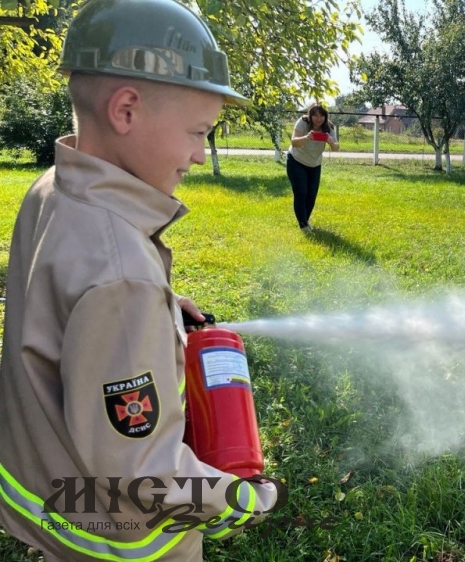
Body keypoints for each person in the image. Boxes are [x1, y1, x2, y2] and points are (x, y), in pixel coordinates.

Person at [0, 1, 281, 560]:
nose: (201, 155)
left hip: (48, 494)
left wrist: (156, 306)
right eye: (198, 132)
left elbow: (60, 300)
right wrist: (244, 500)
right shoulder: (121, 276)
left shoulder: (52, 190)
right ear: (126, 110)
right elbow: (141, 472)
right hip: (117, 537)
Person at [287, 103, 340, 232]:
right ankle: (303, 225)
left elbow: (336, 148)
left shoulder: (329, 127)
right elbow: (294, 142)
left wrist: (331, 142)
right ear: (310, 115)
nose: (318, 118)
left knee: (311, 195)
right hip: (296, 161)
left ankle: (305, 220)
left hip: (315, 164)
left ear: (325, 116)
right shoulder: (303, 122)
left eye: (322, 115)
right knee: (301, 192)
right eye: (315, 115)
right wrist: (307, 137)